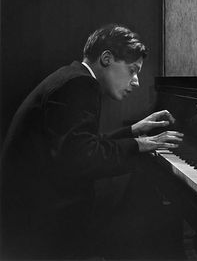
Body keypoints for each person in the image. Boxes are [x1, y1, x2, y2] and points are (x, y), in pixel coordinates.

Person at [1, 23, 183, 259]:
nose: (136, 81)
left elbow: (80, 145)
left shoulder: (72, 77)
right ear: (107, 58)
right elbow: (81, 158)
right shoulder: (79, 84)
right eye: (132, 70)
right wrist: (140, 145)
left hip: (34, 213)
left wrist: (134, 131)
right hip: (38, 227)